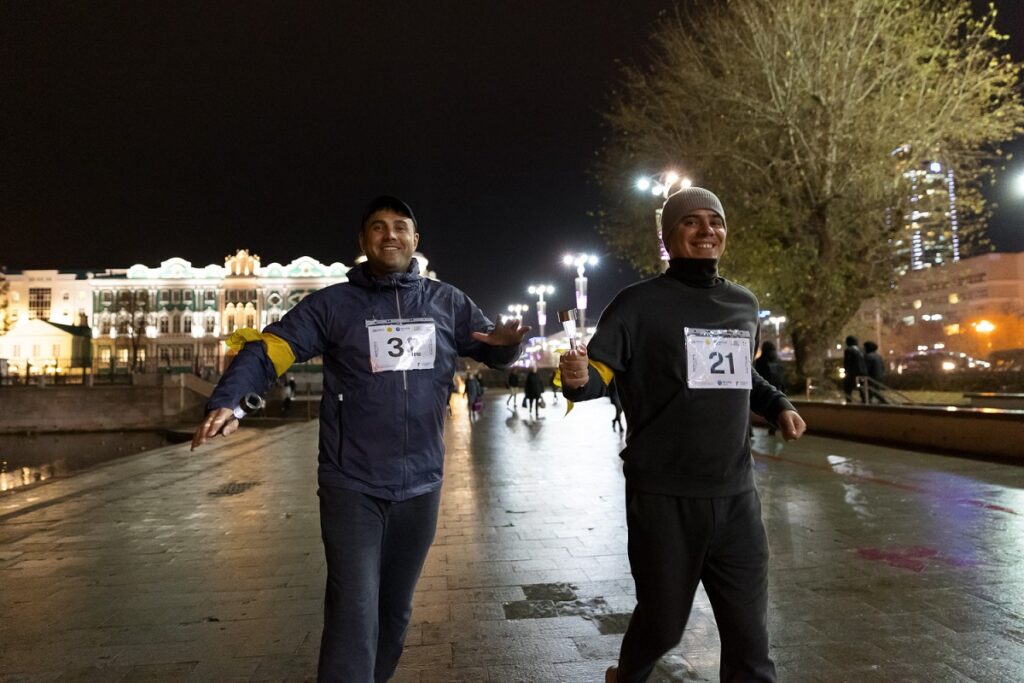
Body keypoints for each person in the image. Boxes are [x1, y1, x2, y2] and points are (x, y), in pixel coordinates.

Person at [191, 196, 528, 683]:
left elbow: (491, 349)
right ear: (362, 242)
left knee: (395, 614)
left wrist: (509, 343)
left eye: (400, 227)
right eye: (377, 227)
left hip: (422, 484)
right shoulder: (333, 305)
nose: (389, 235)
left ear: (415, 240)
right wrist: (232, 397)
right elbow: (272, 348)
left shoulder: (447, 302)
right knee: (354, 612)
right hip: (352, 484)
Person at [559, 187, 806, 683]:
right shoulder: (637, 305)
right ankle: (627, 674)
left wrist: (778, 404)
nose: (706, 231)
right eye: (691, 222)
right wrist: (578, 378)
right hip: (663, 496)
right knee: (664, 623)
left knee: (750, 638)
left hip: (736, 495)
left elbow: (742, 374)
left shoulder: (742, 303)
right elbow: (600, 374)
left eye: (714, 221)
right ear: (669, 236)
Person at [753, 341, 786, 435]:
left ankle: (771, 426)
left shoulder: (760, 361)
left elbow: (757, 376)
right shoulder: (778, 360)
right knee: (777, 407)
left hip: (766, 387)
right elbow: (783, 375)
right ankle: (775, 426)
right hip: (778, 387)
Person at [842, 335, 868, 403]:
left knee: (848, 388)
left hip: (853, 372)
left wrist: (846, 371)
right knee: (861, 387)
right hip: (862, 372)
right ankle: (864, 400)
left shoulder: (849, 350)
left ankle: (849, 401)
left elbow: (847, 362)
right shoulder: (861, 350)